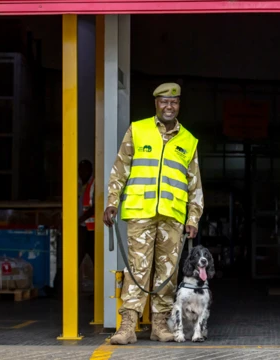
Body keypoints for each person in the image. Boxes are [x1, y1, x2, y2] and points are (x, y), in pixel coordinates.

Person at [103, 82, 204, 345]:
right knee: (137, 269)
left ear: (179, 105)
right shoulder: (138, 130)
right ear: (156, 103)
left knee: (168, 273)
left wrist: (193, 218)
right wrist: (112, 201)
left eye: (174, 102)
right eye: (163, 102)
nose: (169, 106)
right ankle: (127, 326)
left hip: (172, 216)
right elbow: (120, 168)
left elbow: (195, 185)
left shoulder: (188, 140)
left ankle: (159, 325)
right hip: (141, 212)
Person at [78, 159, 95, 268]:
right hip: (82, 227)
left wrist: (80, 219)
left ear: (91, 171)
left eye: (86, 170)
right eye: (81, 170)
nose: (83, 173)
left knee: (94, 256)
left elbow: (95, 207)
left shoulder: (93, 184)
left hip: (91, 229)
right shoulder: (79, 186)